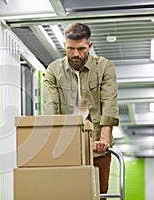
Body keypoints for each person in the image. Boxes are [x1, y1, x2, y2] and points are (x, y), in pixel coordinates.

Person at [43, 23, 119, 199]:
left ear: (90, 46)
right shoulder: (54, 70)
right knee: (67, 195)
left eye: (81, 48)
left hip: (97, 144)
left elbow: (109, 102)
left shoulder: (104, 67)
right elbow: (50, 107)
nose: (76, 54)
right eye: (71, 48)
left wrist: (104, 140)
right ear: (64, 45)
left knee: (98, 195)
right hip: (66, 144)